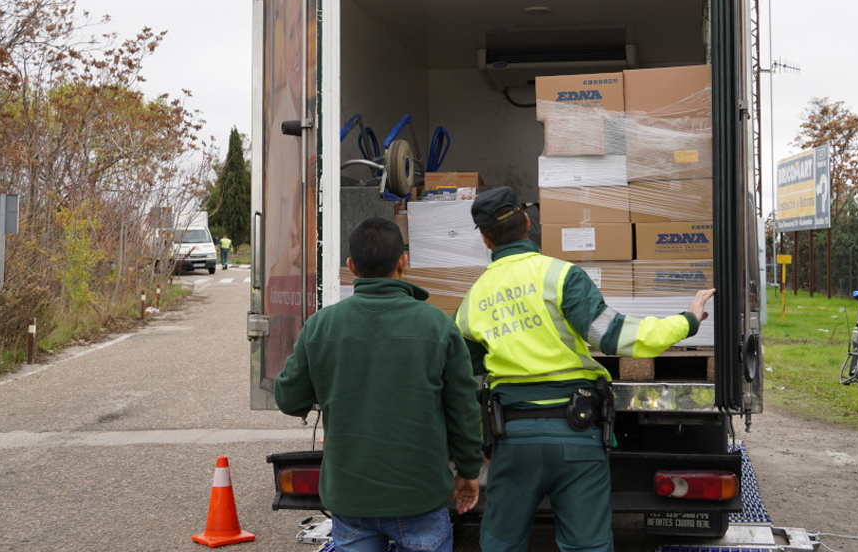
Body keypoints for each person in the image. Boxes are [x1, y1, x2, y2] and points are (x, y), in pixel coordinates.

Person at [455, 186, 715, 552]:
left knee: (500, 546)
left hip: (512, 440)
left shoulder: (474, 298)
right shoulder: (561, 276)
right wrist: (686, 321)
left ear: (484, 239)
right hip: (575, 435)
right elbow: (616, 337)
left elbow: (464, 373)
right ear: (528, 223)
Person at [274, 217, 483, 552]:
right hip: (420, 495)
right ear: (404, 261)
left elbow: (288, 398)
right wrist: (469, 471)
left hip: (350, 497)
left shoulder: (320, 327)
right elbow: (464, 408)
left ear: (351, 266)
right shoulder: (438, 326)